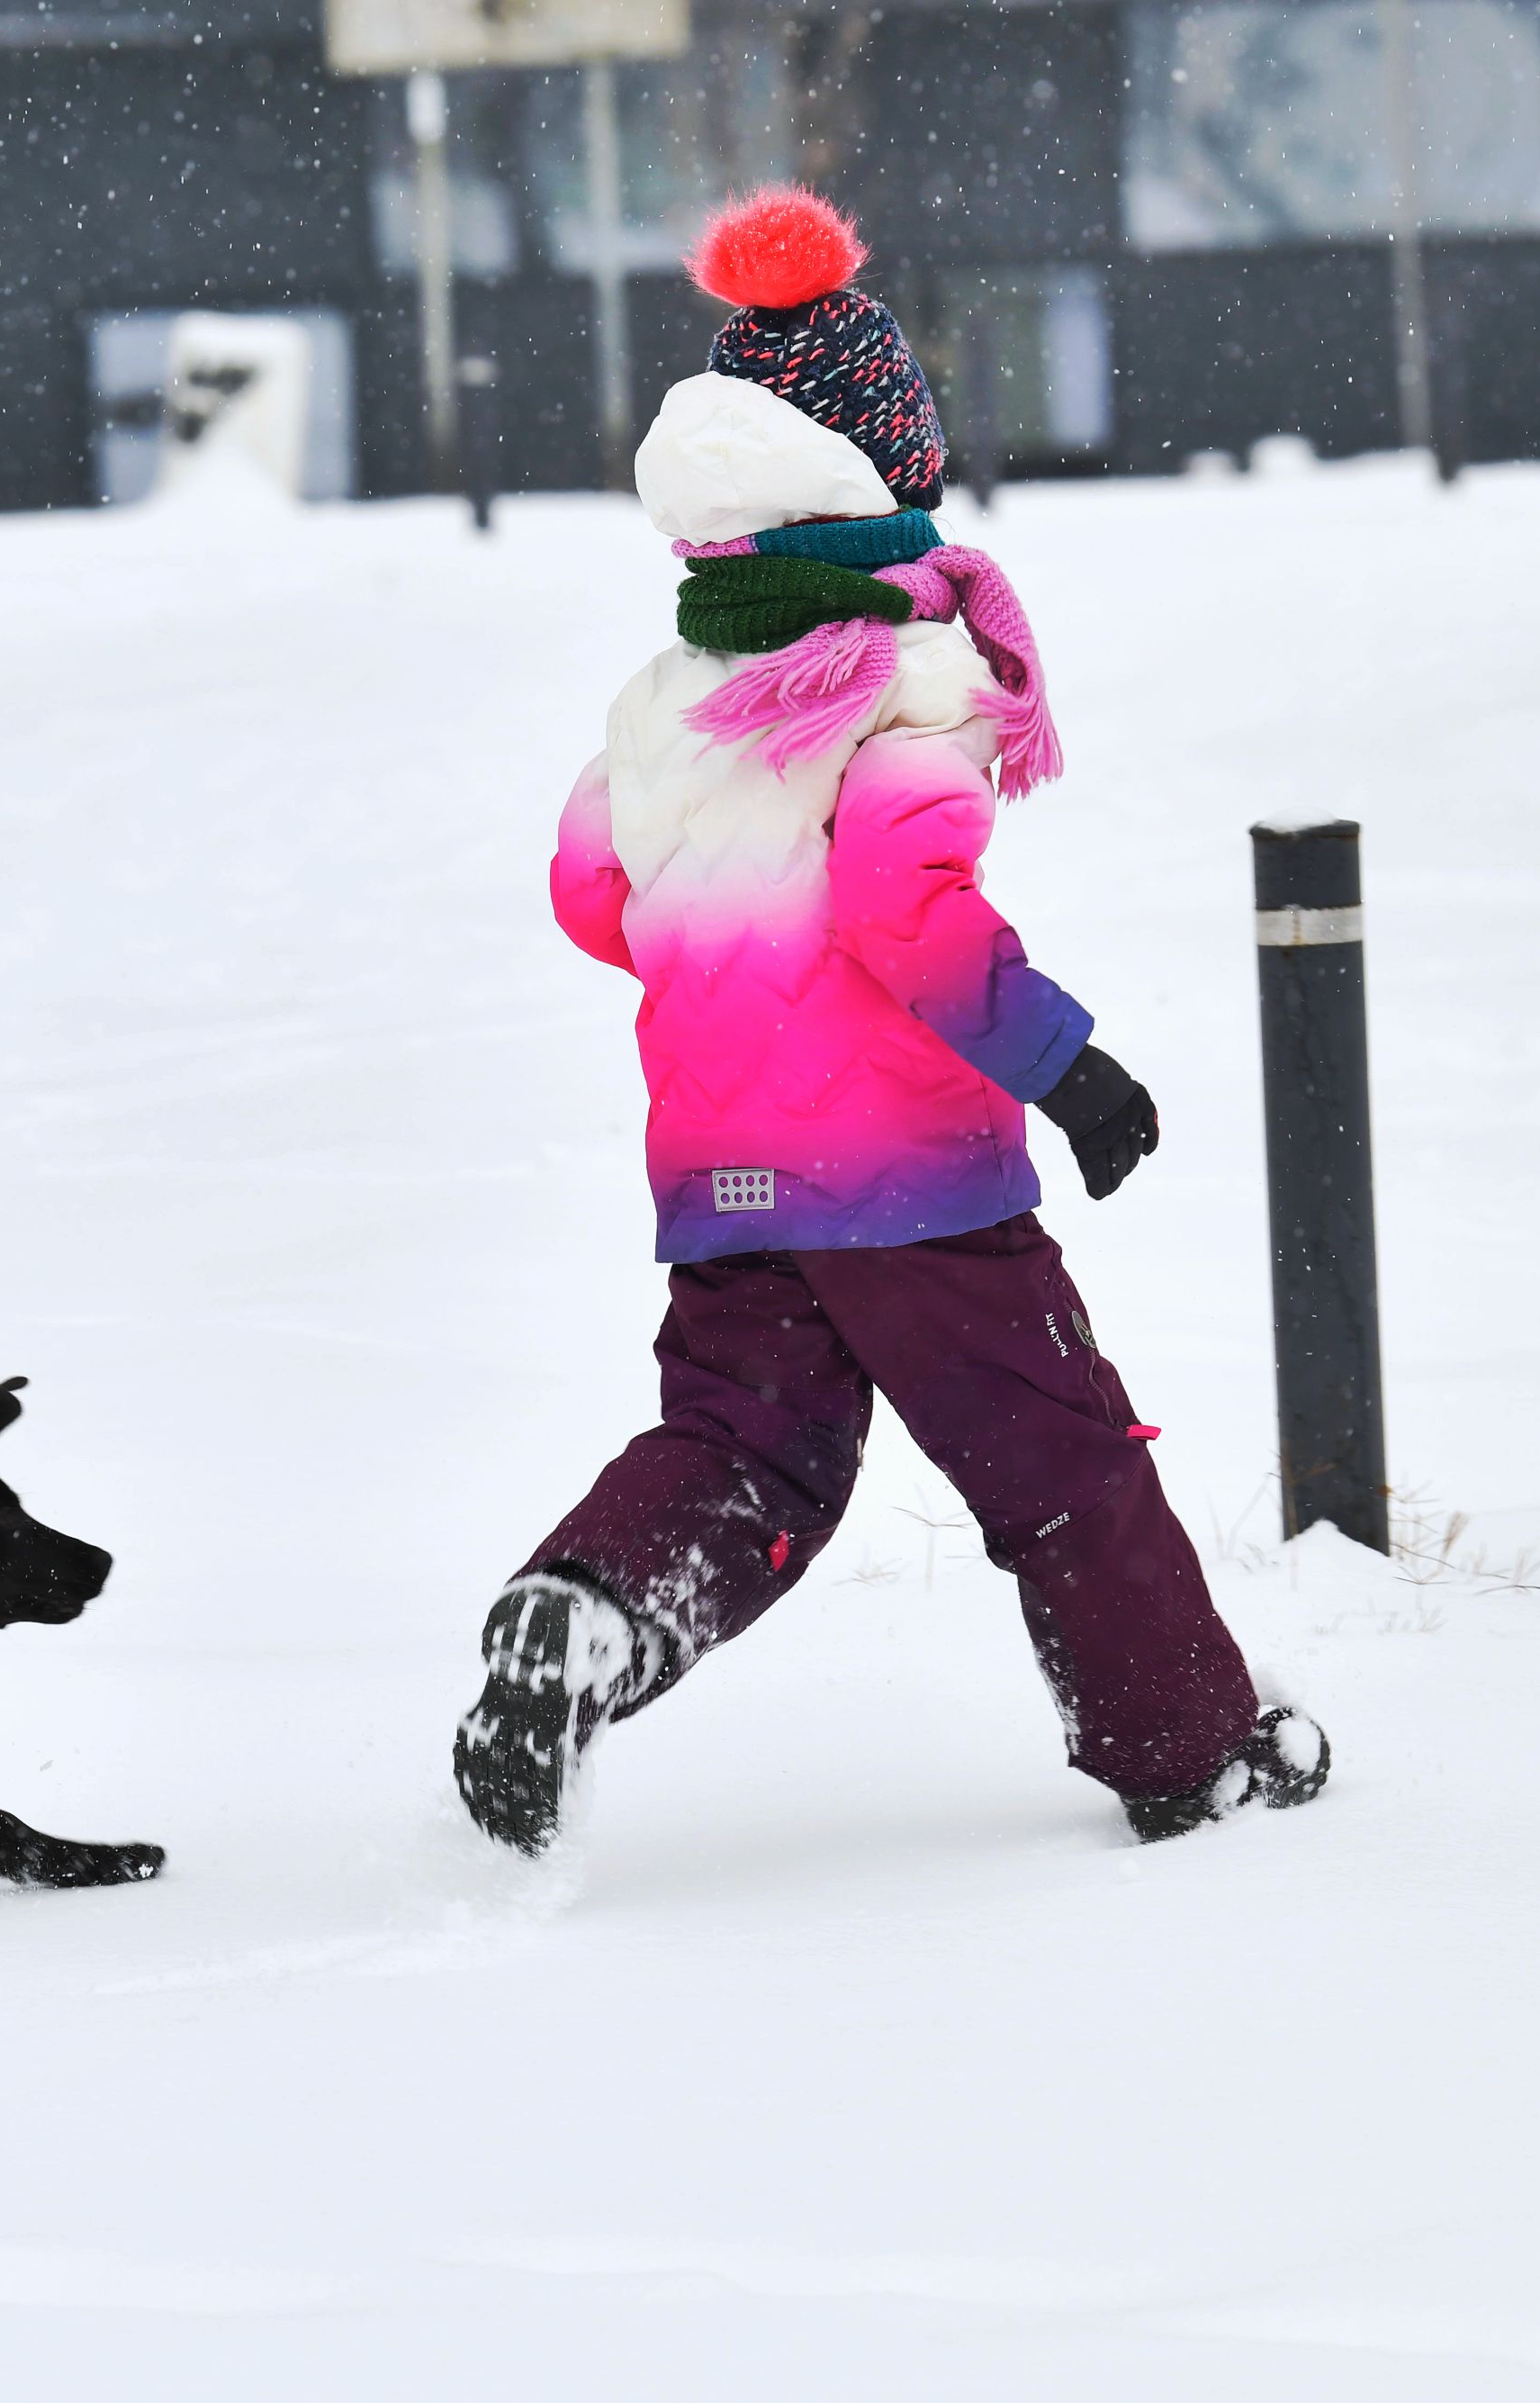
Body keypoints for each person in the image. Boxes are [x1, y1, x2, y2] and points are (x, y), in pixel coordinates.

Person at [453, 188, 1329, 1854]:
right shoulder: (906, 692)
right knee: (1060, 1457)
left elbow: (594, 895)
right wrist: (1074, 1069)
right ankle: (1190, 1748)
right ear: (887, 484)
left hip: (720, 1174)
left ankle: (587, 1612)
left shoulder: (669, 705)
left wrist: (731, 973)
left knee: (745, 1449)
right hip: (915, 1188)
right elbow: (905, 920)